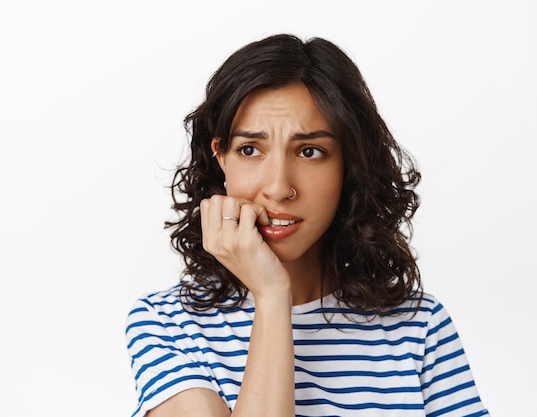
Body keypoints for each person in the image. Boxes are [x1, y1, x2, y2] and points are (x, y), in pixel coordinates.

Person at [125, 34, 489, 417]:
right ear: (221, 158)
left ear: (349, 164)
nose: (279, 188)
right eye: (250, 150)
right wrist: (271, 296)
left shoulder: (420, 328)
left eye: (310, 151)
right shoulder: (168, 323)